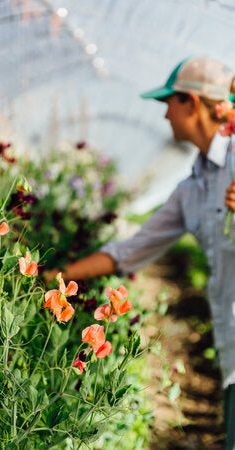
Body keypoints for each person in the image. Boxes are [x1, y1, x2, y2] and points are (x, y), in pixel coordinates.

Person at [45, 56, 235, 449]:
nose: (165, 115)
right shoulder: (191, 189)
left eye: (169, 103)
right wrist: (59, 277)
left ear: (192, 103)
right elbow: (130, 251)